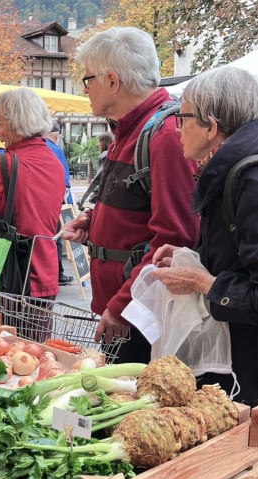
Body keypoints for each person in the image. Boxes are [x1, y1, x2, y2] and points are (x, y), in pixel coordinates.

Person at [62, 27, 199, 364]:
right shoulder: (131, 129)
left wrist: (122, 308)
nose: (85, 89)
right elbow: (136, 202)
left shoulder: (165, 134)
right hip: (127, 310)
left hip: (141, 319)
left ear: (112, 80)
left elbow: (175, 238)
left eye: (87, 79)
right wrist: (93, 222)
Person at [151, 66, 258, 405]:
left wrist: (204, 284)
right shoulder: (235, 170)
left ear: (211, 126)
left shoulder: (251, 180)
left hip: (251, 375)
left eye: (182, 118)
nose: (177, 128)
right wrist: (191, 258)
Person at [0, 88, 64, 304]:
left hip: (10, 274)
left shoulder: (6, 164)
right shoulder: (54, 161)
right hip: (46, 270)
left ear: (15, 123)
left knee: (5, 338)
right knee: (39, 338)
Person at [45, 120, 73, 286]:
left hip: (40, 204)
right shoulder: (55, 149)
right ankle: (58, 273)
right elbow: (64, 180)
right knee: (56, 238)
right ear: (56, 135)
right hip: (55, 203)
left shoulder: (38, 147)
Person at [78, 131, 114, 210]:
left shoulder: (105, 156)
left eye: (99, 142)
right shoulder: (113, 155)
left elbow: (97, 180)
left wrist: (82, 200)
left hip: (102, 197)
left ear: (104, 142)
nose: (98, 145)